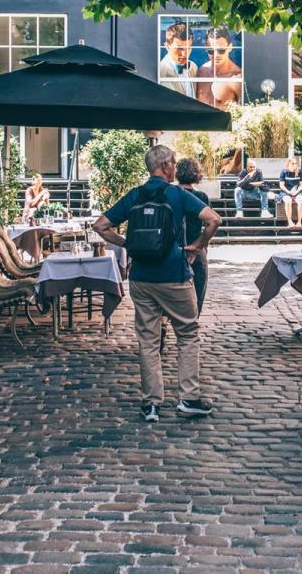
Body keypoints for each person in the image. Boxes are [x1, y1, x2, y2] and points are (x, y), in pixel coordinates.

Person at [94, 145, 221, 423]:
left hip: (141, 278)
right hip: (174, 274)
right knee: (187, 334)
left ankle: (151, 404)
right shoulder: (177, 194)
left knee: (148, 340)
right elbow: (213, 220)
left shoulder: (135, 195)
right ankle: (188, 398)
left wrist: (129, 243)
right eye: (173, 164)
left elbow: (101, 226)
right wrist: (197, 246)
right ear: (165, 166)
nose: (175, 168)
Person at [176, 157, 210, 314]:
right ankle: (194, 318)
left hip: (174, 247)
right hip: (195, 245)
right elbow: (210, 223)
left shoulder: (170, 194)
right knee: (198, 287)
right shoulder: (201, 196)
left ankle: (165, 320)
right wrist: (202, 246)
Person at [195, 26, 242, 109]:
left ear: (230, 47)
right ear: (206, 48)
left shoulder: (237, 78)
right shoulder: (202, 71)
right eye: (211, 51)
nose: (216, 55)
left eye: (221, 50)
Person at [159, 20, 197, 97]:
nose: (184, 54)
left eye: (188, 48)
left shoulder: (193, 67)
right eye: (179, 48)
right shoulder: (159, 71)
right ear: (167, 46)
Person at [279, 157, 302, 228]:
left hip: (296, 192)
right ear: (288, 164)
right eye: (292, 163)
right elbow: (282, 186)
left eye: (295, 163)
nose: (294, 165)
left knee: (301, 201)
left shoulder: (299, 172)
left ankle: (299, 222)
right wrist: (289, 192)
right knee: (288, 201)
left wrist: (296, 192)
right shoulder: (283, 172)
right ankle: (290, 222)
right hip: (286, 192)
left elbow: (301, 185)